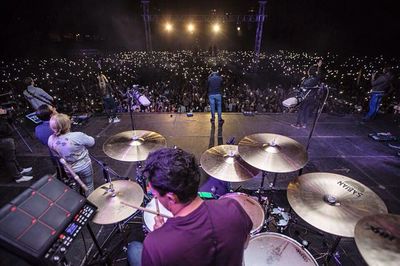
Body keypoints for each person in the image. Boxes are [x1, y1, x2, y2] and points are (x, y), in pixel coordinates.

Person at [127, 148, 252, 266]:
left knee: (133, 248)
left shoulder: (156, 243)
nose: (155, 198)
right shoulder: (232, 207)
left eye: (155, 194)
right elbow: (246, 243)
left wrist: (160, 237)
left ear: (171, 198)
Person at [48, 113, 95, 196]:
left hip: (68, 168)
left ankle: (77, 202)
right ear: (68, 125)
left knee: (74, 185)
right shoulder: (77, 136)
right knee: (89, 185)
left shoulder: (50, 139)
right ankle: (90, 201)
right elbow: (92, 142)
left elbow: (55, 155)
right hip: (84, 166)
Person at [0, 108, 33, 183]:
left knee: (13, 157)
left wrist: (7, 114)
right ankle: (18, 177)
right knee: (9, 160)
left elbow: (10, 121)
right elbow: (3, 129)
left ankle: (20, 170)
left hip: (7, 138)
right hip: (3, 140)